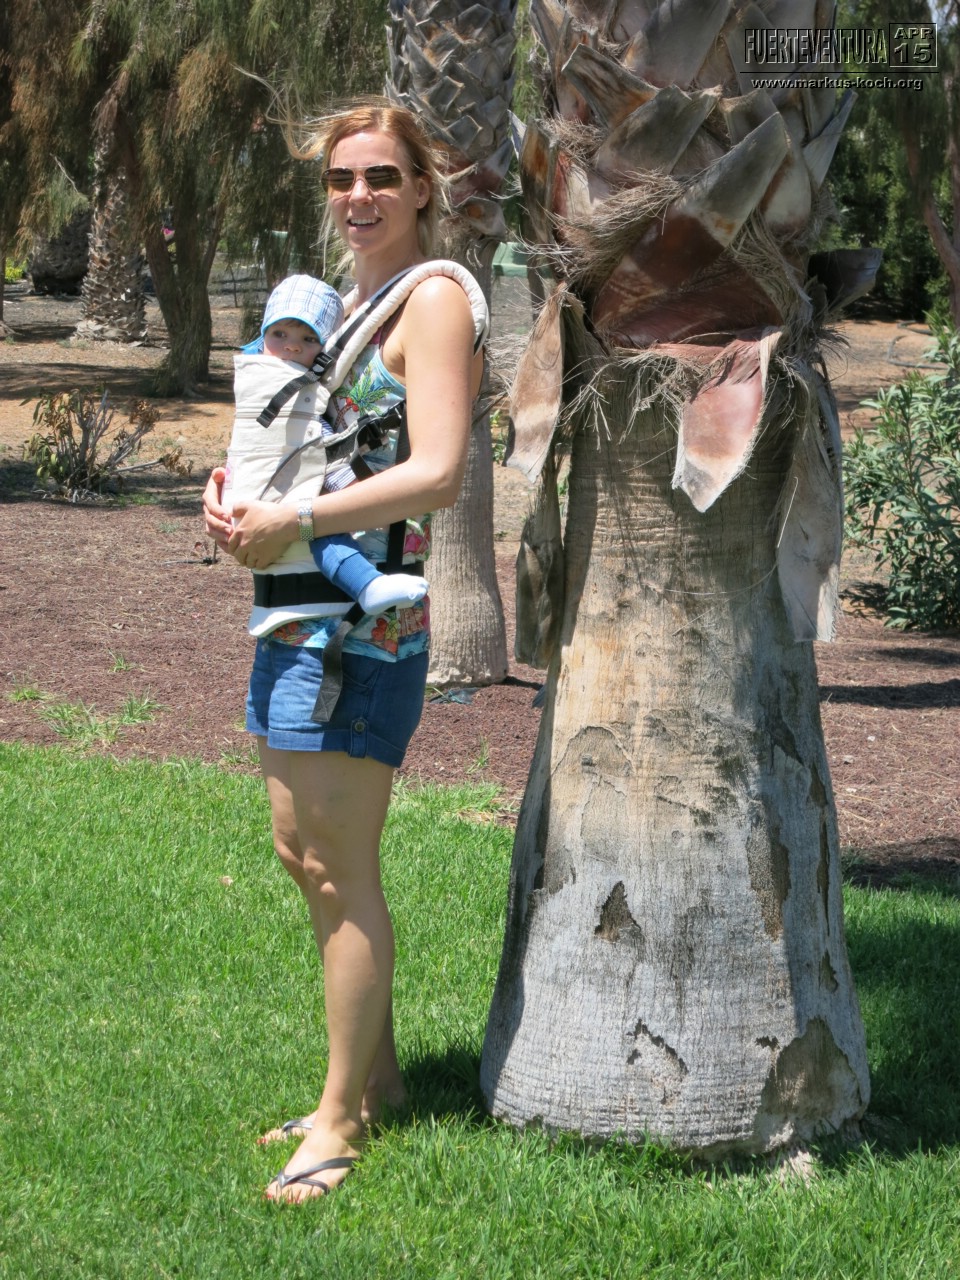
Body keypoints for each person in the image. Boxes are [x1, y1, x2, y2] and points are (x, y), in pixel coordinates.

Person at [202, 99, 486, 1203]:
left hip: (364, 631)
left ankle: (337, 1123)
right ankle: (380, 1083)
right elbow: (310, 449)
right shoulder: (346, 306)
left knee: (338, 861)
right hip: (297, 610)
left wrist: (300, 520)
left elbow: (438, 473)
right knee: (298, 848)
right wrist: (235, 499)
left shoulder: (433, 301)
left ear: (422, 187)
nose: (357, 196)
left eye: (380, 176)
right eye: (340, 179)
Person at [226, 272, 429, 635]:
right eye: (280, 334)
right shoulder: (269, 386)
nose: (291, 347)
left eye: (308, 339)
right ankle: (367, 584)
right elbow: (308, 452)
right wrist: (358, 495)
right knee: (320, 529)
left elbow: (303, 446)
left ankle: (367, 585)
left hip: (263, 512)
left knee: (315, 528)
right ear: (262, 336)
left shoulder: (283, 387)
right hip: (263, 503)